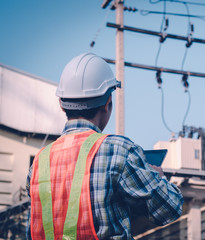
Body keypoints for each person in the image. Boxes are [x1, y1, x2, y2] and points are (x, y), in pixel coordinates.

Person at [26, 53, 183, 240]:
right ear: (108, 104)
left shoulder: (39, 163)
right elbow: (170, 208)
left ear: (61, 104)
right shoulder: (118, 151)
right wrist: (158, 177)